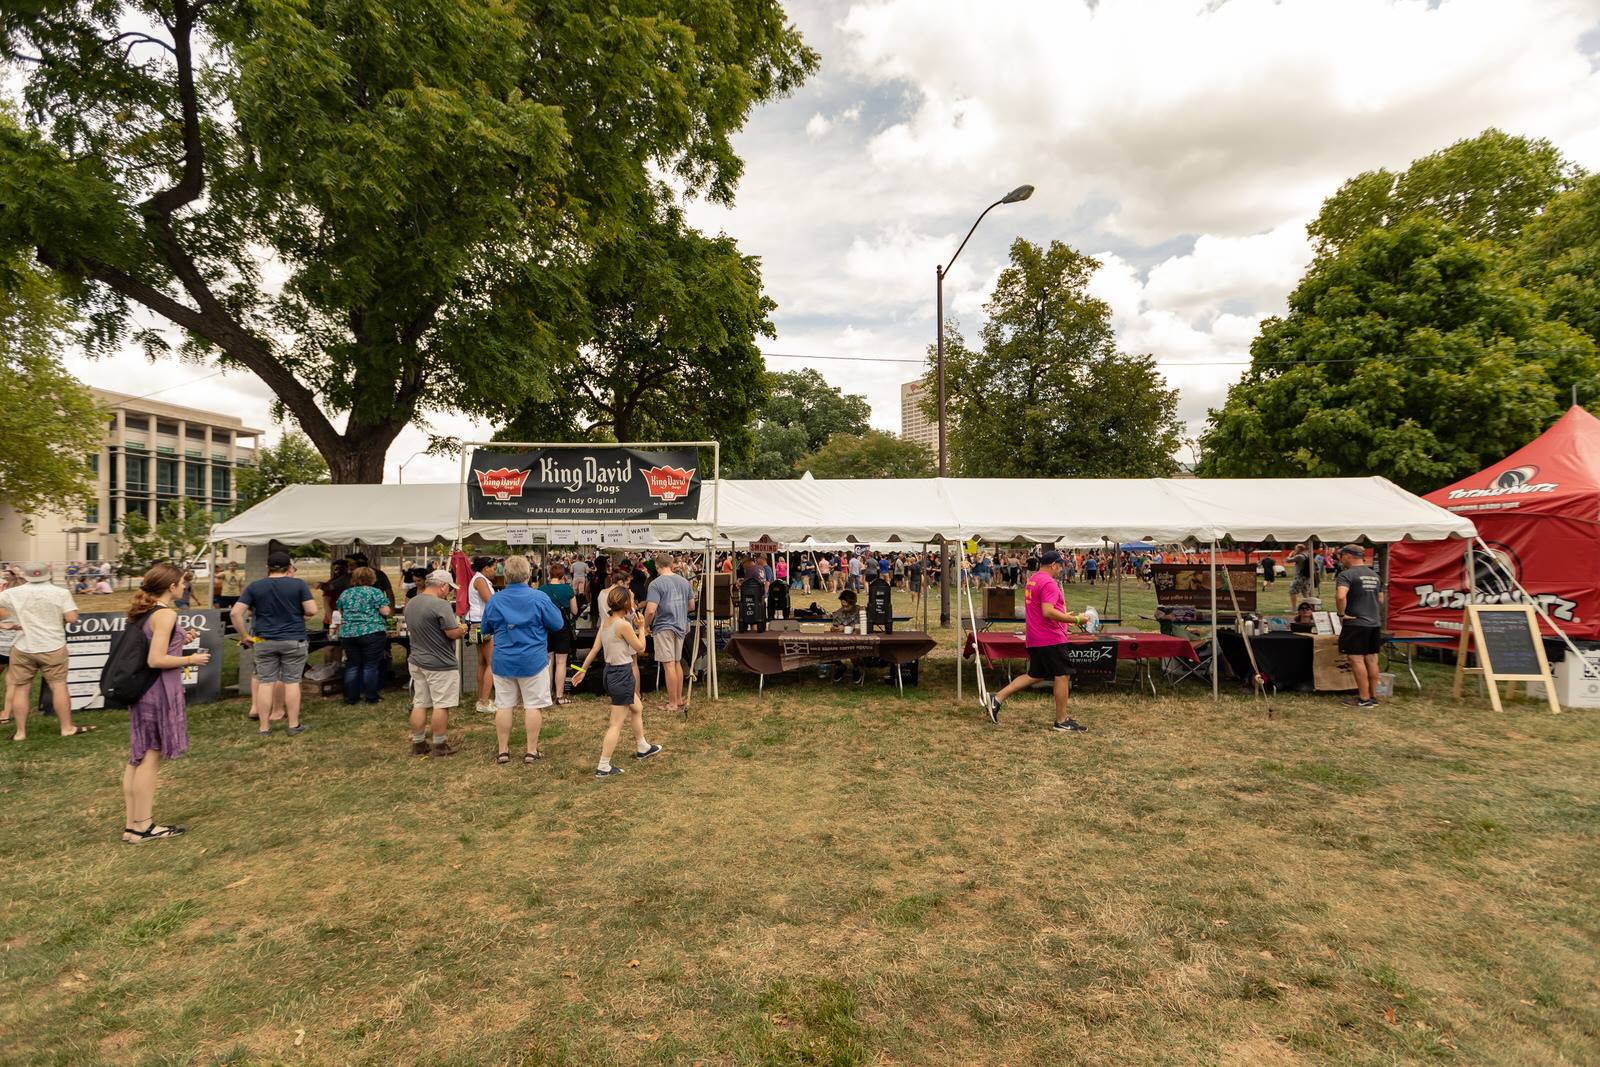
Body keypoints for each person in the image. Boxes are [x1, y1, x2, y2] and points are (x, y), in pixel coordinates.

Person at [120, 564, 210, 842]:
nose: (185, 586)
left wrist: (182, 639)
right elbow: (156, 659)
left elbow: (155, 645)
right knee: (150, 755)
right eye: (182, 582)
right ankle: (143, 826)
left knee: (138, 756)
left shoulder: (146, 611)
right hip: (157, 690)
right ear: (172, 587)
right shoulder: (166, 614)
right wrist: (190, 659)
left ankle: (132, 825)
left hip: (144, 691)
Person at [986, 550, 1092, 732]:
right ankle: (1061, 720)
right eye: (1061, 566)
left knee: (1035, 674)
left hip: (1036, 636)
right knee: (1063, 675)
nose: (1061, 570)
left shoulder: (1033, 580)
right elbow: (1047, 611)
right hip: (1051, 638)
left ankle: (997, 698)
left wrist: (1062, 616)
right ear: (1054, 565)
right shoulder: (1049, 583)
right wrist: (1075, 620)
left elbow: (1041, 609)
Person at [479, 554, 565, 765]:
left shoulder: (496, 600)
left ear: (505, 576)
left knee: (504, 705)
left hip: (504, 659)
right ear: (528, 575)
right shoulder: (539, 598)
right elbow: (557, 624)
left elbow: (485, 629)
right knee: (533, 706)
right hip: (533, 660)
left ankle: (503, 751)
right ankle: (531, 751)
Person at [574, 585, 661, 779]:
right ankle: (603, 765)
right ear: (625, 604)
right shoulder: (623, 625)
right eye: (632, 598)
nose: (634, 600)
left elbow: (596, 648)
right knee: (616, 723)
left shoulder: (606, 620)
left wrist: (583, 669)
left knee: (637, 708)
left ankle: (642, 746)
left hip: (611, 672)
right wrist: (641, 628)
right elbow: (640, 648)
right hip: (621, 674)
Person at [0, 562, 90, 741]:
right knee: (58, 686)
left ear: (25, 576)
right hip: (53, 645)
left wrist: (4, 625)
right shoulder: (61, 592)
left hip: (24, 645)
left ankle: (20, 733)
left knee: (21, 688)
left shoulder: (12, 593)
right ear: (48, 574)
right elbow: (71, 618)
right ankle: (66, 728)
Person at [232, 550, 317, 736]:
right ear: (289, 567)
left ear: (267, 568)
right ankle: (293, 725)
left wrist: (244, 635)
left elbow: (235, 613)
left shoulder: (255, 586)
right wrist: (299, 616)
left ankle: (264, 727)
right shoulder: (298, 584)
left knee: (265, 683)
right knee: (292, 682)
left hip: (264, 640)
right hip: (293, 639)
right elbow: (312, 610)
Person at [403, 570, 466, 757]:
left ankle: (418, 743)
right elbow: (451, 633)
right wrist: (462, 628)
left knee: (420, 702)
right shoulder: (441, 605)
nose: (449, 592)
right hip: (440, 663)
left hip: (416, 659)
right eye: (449, 588)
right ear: (443, 586)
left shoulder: (412, 602)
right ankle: (439, 744)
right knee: (441, 704)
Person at [644, 553, 697, 713]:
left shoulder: (655, 584)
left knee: (668, 665)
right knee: (676, 662)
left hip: (664, 626)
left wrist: (645, 626)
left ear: (657, 566)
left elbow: (651, 610)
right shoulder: (683, 581)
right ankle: (678, 699)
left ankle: (672, 703)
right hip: (680, 625)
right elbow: (692, 606)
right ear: (672, 564)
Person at [1336, 544, 1384, 709]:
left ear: (1348, 556)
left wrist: (1342, 615)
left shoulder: (1346, 575)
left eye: (1341, 556)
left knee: (1356, 659)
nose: (1341, 560)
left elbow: (1341, 596)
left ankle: (1363, 699)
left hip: (1356, 623)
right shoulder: (1375, 575)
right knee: (1371, 659)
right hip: (1374, 622)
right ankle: (1373, 696)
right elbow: (1381, 600)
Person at [336, 566, 393, 704]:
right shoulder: (376, 592)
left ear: (354, 578)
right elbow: (385, 612)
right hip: (371, 631)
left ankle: (350, 698)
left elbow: (339, 609)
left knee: (352, 665)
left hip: (348, 633)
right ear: (372, 578)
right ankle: (371, 697)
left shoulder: (346, 593)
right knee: (370, 665)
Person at [540, 562, 577, 705]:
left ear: (550, 574)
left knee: (549, 660)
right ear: (562, 575)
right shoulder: (567, 589)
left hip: (546, 627)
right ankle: (560, 696)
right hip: (562, 627)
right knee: (561, 662)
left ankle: (547, 694)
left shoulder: (542, 589)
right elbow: (574, 611)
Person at [467, 556, 497, 714]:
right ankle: (484, 701)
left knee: (482, 662)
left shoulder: (477, 579)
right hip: (482, 623)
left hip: (476, 622)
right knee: (492, 663)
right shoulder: (480, 580)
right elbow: (490, 601)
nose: (495, 571)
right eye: (493, 568)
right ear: (485, 568)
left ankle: (482, 698)